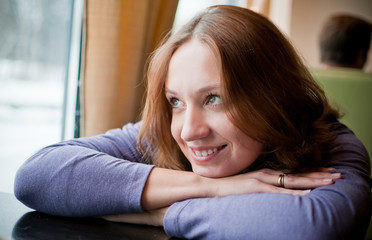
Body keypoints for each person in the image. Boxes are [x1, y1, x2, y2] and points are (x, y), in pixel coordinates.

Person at [14, 5, 371, 239]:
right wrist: (212, 187)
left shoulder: (335, 144)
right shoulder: (161, 136)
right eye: (176, 102)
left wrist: (159, 214)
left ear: (271, 96)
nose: (188, 131)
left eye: (213, 98)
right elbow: (36, 176)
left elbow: (312, 226)